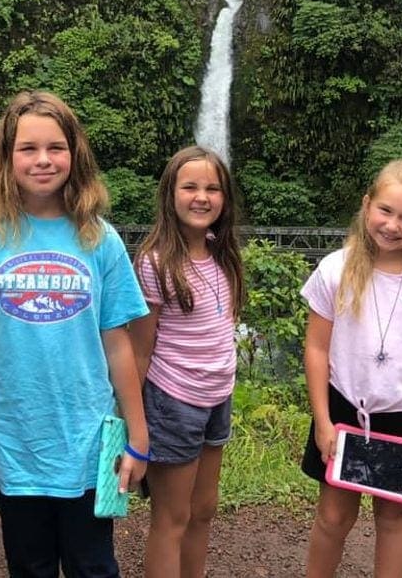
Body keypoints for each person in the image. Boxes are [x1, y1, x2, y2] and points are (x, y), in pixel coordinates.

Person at [0, 90, 150, 578]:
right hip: (14, 445)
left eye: (56, 147)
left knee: (95, 565)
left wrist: (138, 435)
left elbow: (118, 342)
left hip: (87, 443)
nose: (43, 160)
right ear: (5, 157)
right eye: (28, 148)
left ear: (74, 154)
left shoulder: (99, 238)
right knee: (30, 567)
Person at [301, 159, 402, 578]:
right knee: (333, 518)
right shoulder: (335, 269)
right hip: (344, 414)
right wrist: (322, 421)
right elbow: (317, 349)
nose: (393, 225)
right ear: (366, 205)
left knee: (394, 520)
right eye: (385, 211)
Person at [128, 146, 245, 578]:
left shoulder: (223, 254)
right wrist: (132, 419)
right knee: (171, 518)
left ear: (225, 198)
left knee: (203, 510)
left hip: (218, 397)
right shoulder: (155, 262)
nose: (202, 197)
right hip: (172, 400)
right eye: (190, 186)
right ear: (170, 195)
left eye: (213, 188)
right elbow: (140, 347)